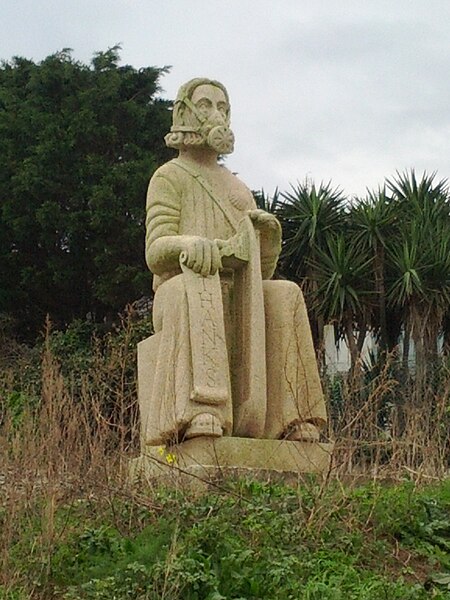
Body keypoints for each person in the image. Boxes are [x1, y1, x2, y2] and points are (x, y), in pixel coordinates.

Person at [140, 77, 327, 445]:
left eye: (223, 108)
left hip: (238, 289)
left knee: (284, 294)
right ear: (185, 113)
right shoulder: (169, 177)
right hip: (183, 290)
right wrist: (189, 245)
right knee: (192, 288)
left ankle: (291, 419)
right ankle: (200, 410)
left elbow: (261, 273)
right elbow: (155, 250)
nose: (217, 115)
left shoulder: (237, 188)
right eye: (207, 105)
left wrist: (267, 240)